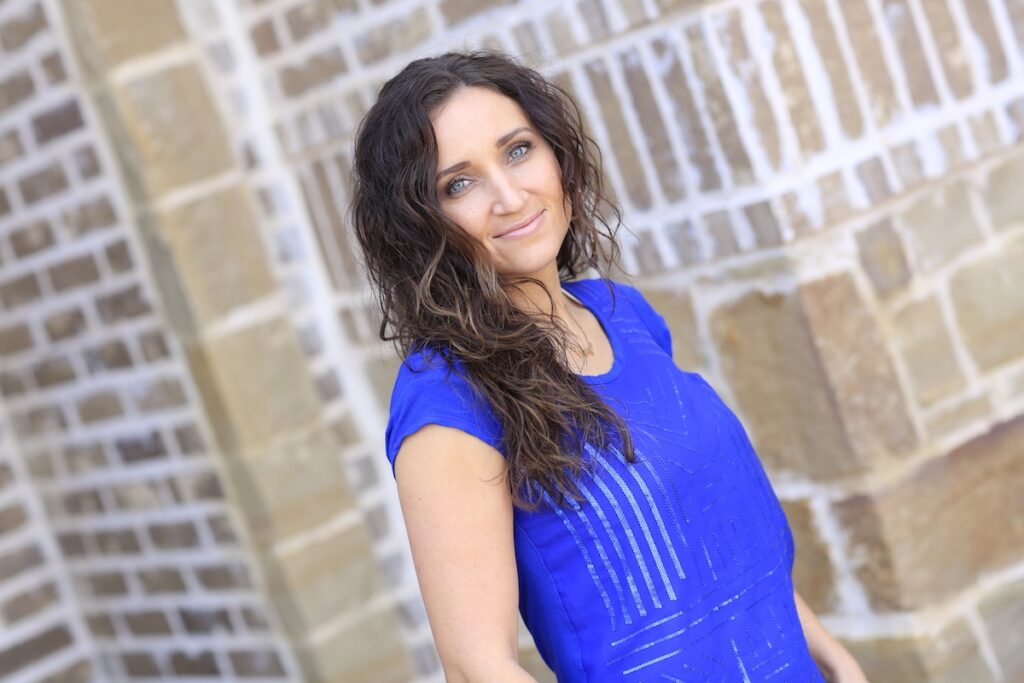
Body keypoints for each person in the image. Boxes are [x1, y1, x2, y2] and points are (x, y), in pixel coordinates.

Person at [350, 50, 868, 683]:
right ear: (419, 224)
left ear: (557, 154)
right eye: (459, 183)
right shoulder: (447, 398)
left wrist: (831, 656)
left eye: (517, 150)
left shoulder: (624, 315)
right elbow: (478, 667)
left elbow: (714, 536)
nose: (510, 197)